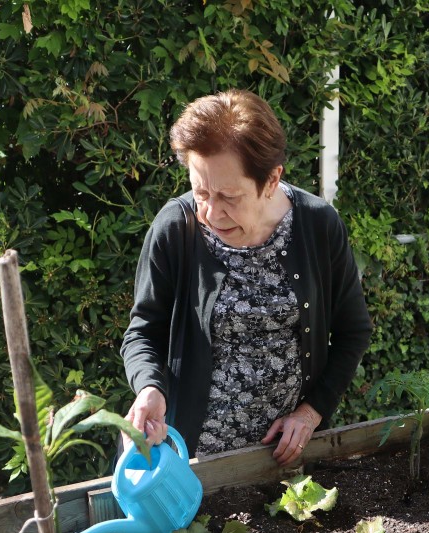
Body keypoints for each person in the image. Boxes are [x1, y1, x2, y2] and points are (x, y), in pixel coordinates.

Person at [121, 89, 373, 465]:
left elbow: (354, 331)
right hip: (190, 461)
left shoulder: (318, 225)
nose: (210, 212)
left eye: (229, 196)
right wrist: (149, 388)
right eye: (200, 191)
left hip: (288, 459)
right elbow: (142, 332)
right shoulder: (174, 228)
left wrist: (311, 412)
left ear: (271, 180)